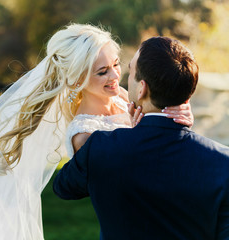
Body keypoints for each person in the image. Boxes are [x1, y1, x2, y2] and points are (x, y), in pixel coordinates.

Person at [0, 25, 193, 240]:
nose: (116, 75)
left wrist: (181, 116)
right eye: (102, 71)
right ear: (75, 79)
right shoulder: (83, 134)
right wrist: (141, 134)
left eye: (116, 64)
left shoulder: (124, 97)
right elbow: (127, 178)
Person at [53, 36, 229, 240]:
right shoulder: (224, 163)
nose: (118, 77)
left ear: (142, 88)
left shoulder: (100, 148)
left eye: (130, 71)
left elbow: (64, 187)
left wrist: (133, 135)